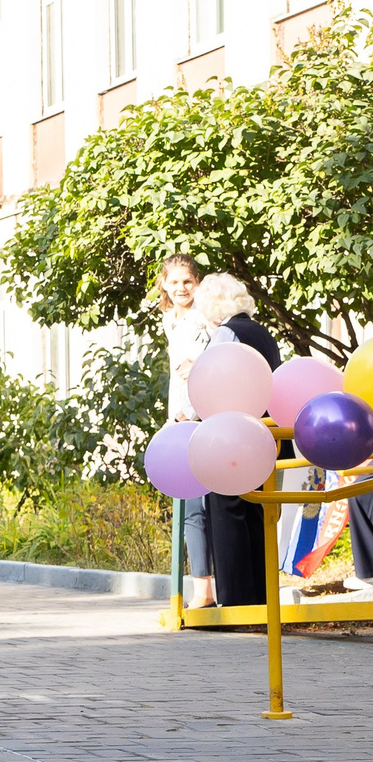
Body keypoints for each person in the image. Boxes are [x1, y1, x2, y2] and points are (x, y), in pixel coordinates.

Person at [199, 273, 282, 607]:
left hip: (231, 435)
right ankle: (261, 598)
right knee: (254, 512)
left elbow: (210, 380)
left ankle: (236, 601)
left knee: (227, 510)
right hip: (263, 435)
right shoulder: (263, 333)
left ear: (212, 306)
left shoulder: (226, 333)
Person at [158, 254, 215, 607]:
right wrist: (173, 416)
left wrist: (187, 413)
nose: (181, 288)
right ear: (164, 284)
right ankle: (203, 588)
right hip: (179, 420)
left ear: (197, 283)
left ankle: (205, 590)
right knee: (190, 507)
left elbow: (207, 370)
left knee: (199, 507)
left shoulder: (204, 318)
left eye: (187, 281)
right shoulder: (170, 320)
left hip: (200, 419)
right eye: (175, 282)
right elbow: (177, 375)